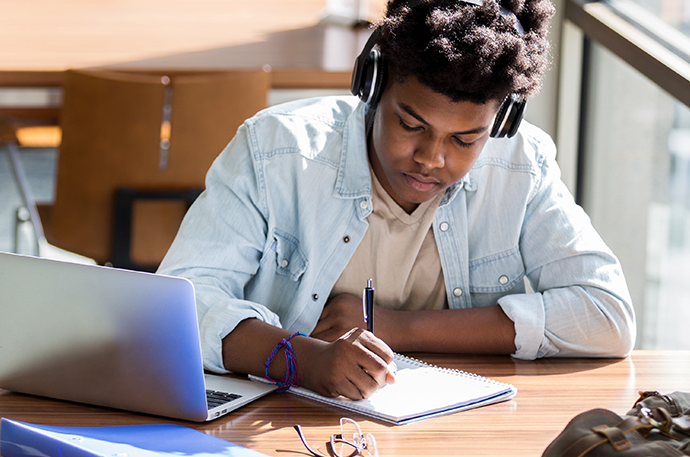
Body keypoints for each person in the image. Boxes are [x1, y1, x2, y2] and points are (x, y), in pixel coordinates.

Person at [157, 0, 634, 401]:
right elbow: (179, 305)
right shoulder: (276, 150)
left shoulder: (521, 165)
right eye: (411, 125)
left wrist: (394, 327)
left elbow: (606, 315)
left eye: (465, 141)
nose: (431, 159)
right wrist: (302, 360)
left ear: (502, 122)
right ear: (373, 85)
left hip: (451, 427)